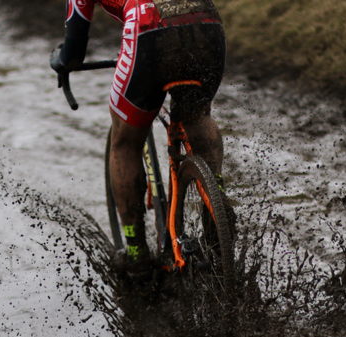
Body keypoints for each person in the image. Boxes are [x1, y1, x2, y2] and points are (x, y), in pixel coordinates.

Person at [50, 0, 226, 273]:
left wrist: (61, 61)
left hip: (148, 26)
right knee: (197, 118)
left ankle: (136, 253)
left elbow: (74, 53)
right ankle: (220, 221)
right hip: (206, 21)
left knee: (124, 142)